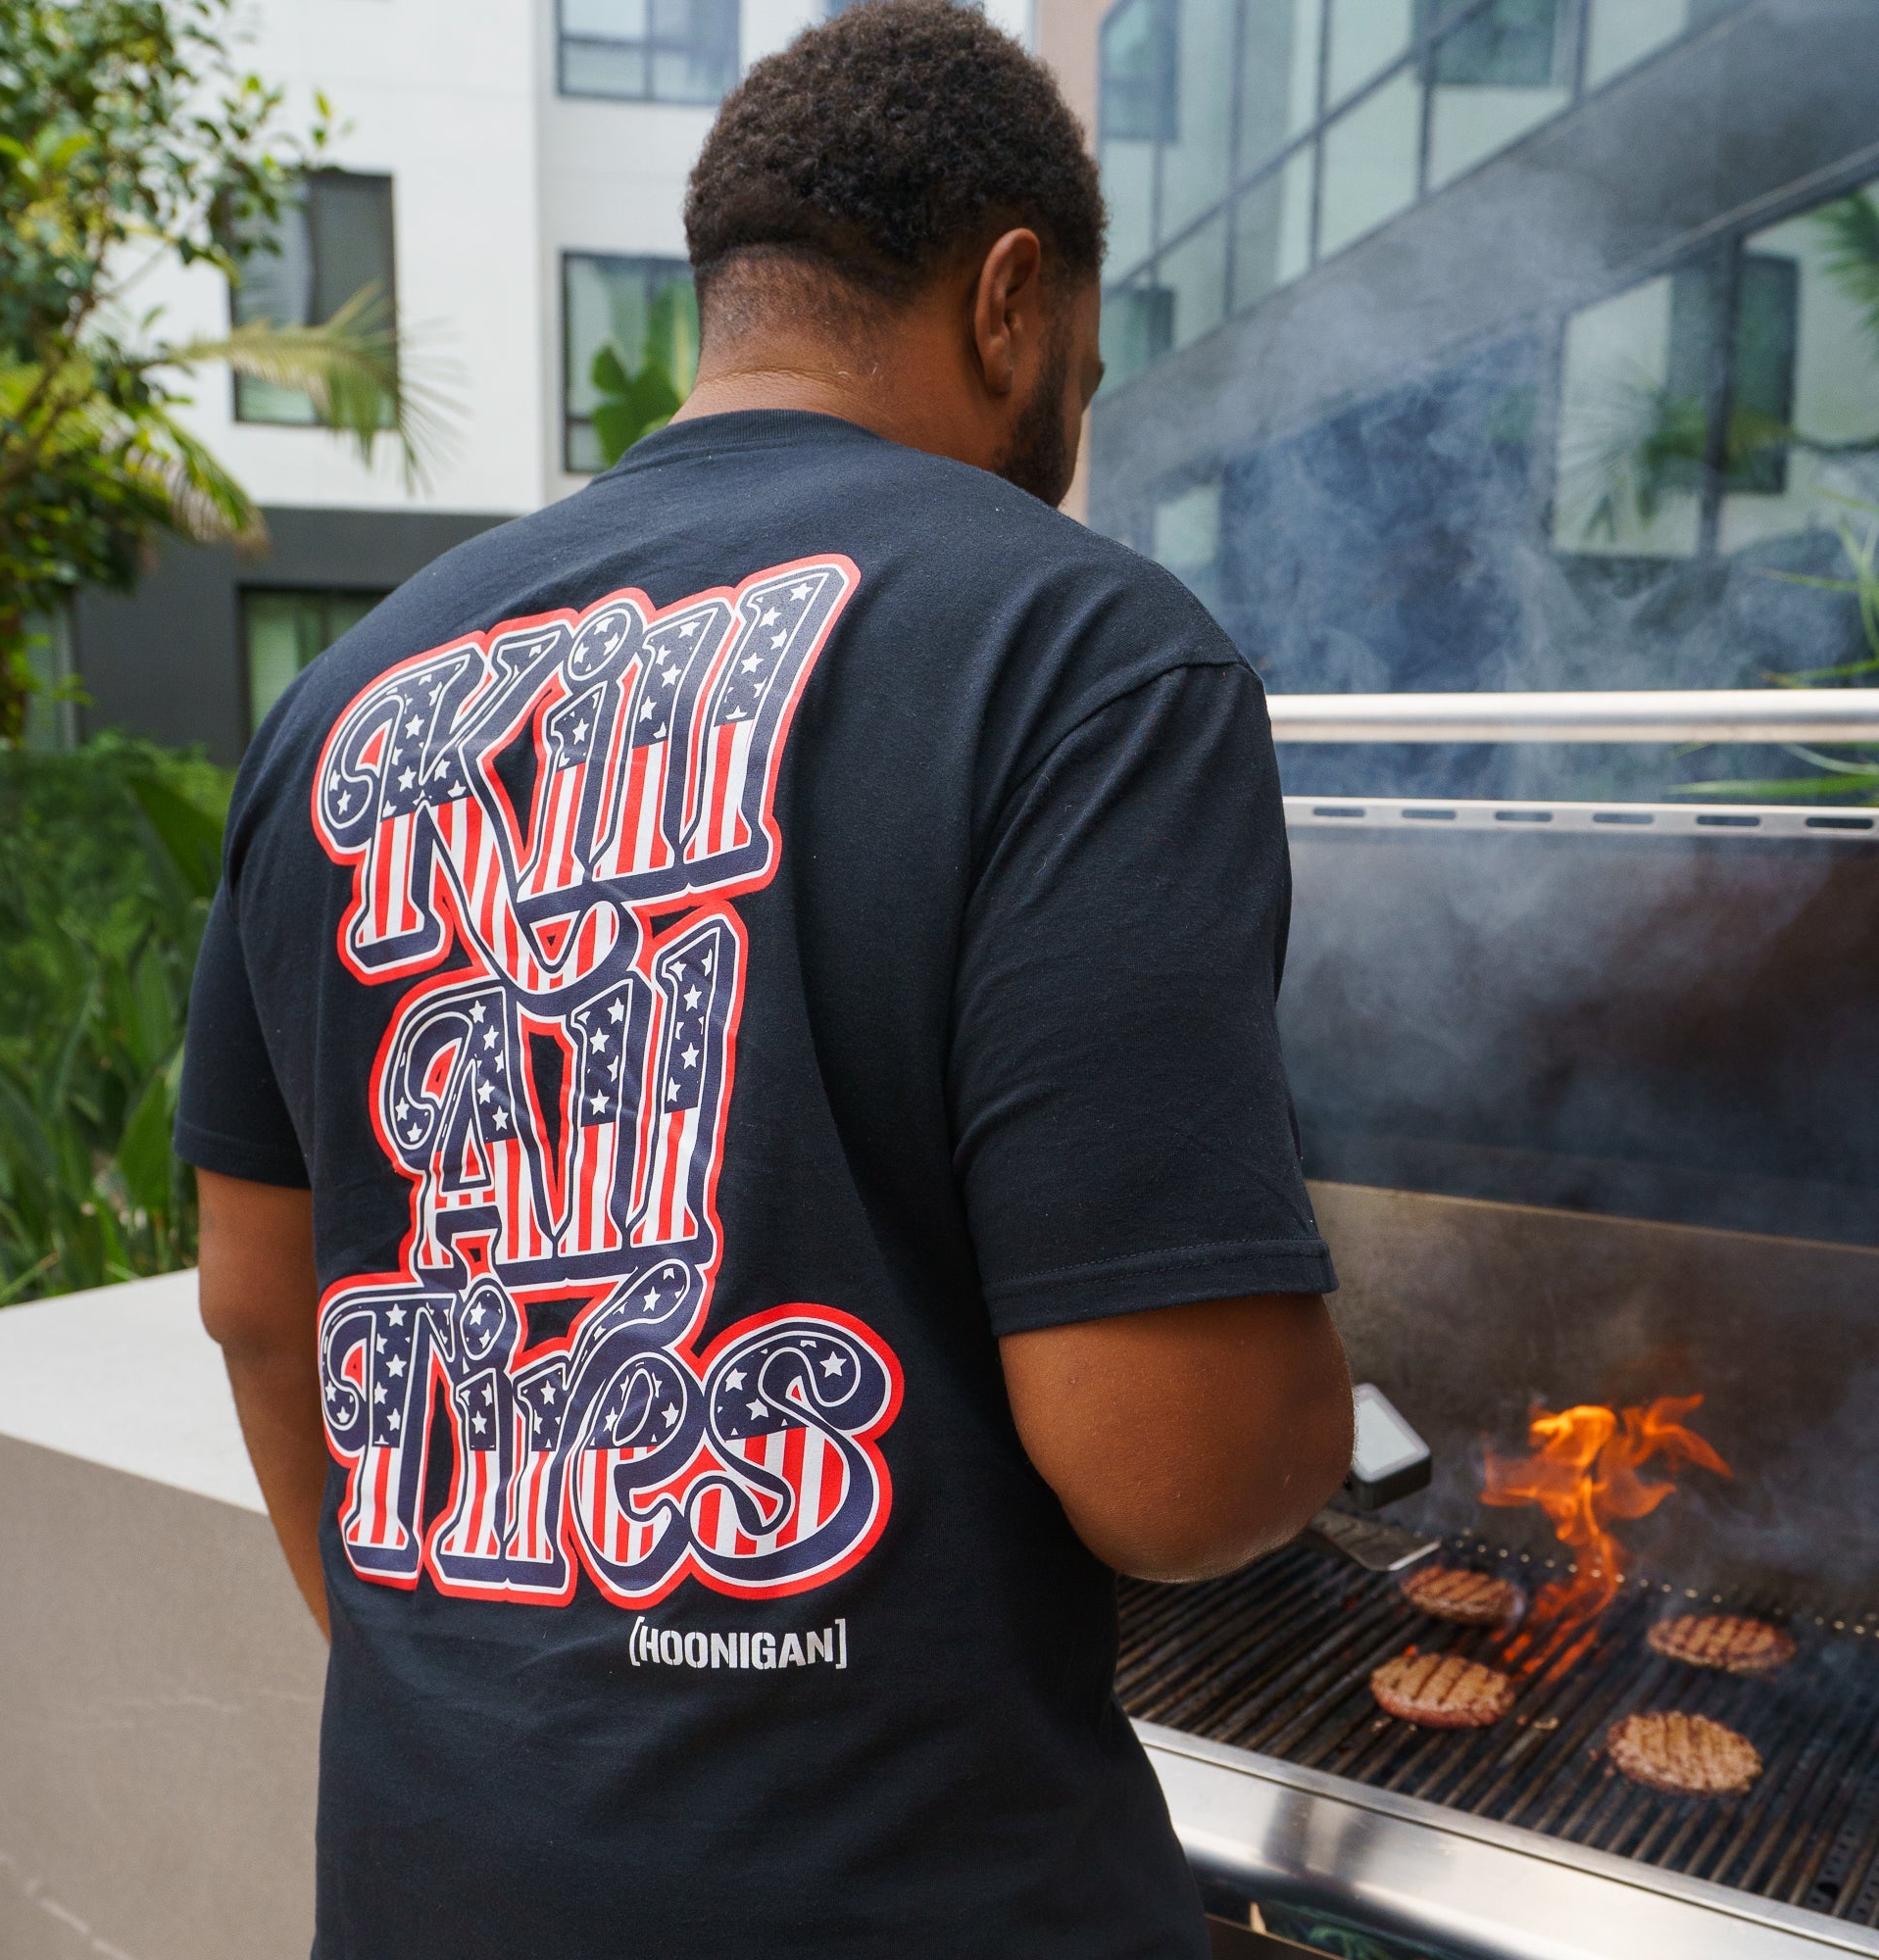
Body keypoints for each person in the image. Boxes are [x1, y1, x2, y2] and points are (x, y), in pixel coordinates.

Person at [178, 4, 1353, 1954]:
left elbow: (251, 1301)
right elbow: (1174, 1472)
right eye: (1076, 354)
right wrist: (1319, 1383)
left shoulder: (341, 701)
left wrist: (503, 1723)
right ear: (1007, 302)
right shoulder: (1086, 656)